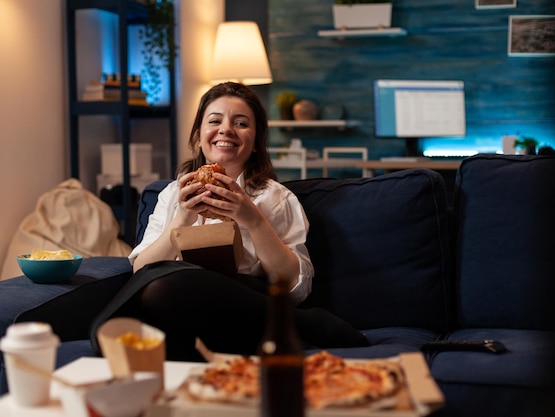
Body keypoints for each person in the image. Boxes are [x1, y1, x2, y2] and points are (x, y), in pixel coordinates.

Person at [90, 82, 369, 361]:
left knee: (165, 287)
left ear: (256, 142)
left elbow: (295, 286)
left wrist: (253, 219)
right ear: (198, 137)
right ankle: (302, 324)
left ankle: (302, 322)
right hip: (179, 316)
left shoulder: (274, 198)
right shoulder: (173, 194)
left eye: (241, 123)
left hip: (239, 310)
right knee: (132, 309)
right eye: (215, 120)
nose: (226, 129)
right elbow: (142, 269)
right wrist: (183, 217)